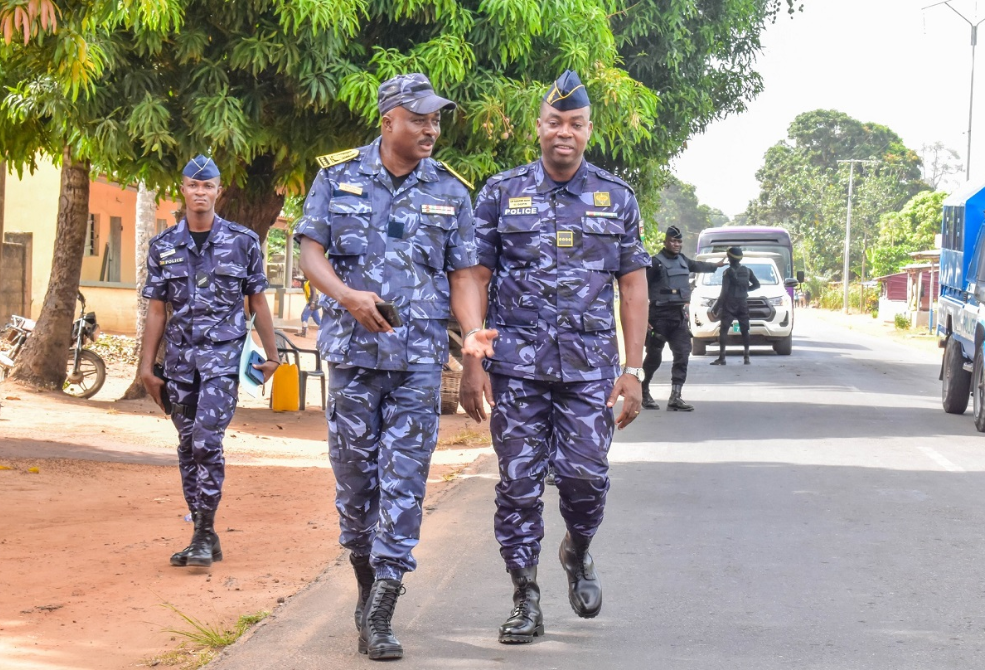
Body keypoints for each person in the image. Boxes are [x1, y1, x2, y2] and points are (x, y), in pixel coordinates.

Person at [295, 73, 492, 661]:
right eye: (420, 119)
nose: (432, 129)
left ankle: (381, 609)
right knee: (355, 484)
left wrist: (475, 353)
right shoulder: (335, 177)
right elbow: (310, 252)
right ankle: (364, 581)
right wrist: (347, 296)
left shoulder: (453, 192)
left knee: (404, 481)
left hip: (419, 362)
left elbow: (463, 279)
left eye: (436, 120)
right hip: (352, 359)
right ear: (388, 121)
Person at [460, 69, 650, 646]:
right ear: (538, 128)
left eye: (575, 123)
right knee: (517, 487)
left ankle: (579, 548)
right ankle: (525, 597)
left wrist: (634, 369)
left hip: (590, 369)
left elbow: (633, 286)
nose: (563, 132)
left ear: (589, 130)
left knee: (585, 479)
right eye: (554, 122)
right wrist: (472, 355)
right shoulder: (499, 193)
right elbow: (474, 274)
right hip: (516, 367)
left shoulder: (616, 197)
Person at [140, 155, 280, 569]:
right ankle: (205, 532)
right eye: (192, 185)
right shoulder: (163, 247)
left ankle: (202, 533)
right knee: (187, 446)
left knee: (206, 441)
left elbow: (257, 301)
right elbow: (157, 311)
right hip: (180, 363)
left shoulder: (243, 241)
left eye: (208, 186)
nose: (200, 192)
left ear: (218, 191)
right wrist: (147, 367)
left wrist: (272, 354)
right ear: (181, 190)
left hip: (223, 362)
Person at [641, 225, 722, 412]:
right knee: (653, 357)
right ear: (665, 242)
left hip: (678, 317)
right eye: (672, 241)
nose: (676, 244)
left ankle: (675, 397)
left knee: (682, 355)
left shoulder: (683, 261)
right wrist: (643, 318)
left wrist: (717, 266)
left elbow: (699, 265)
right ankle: (644, 390)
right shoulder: (655, 263)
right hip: (658, 317)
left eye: (679, 241)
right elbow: (641, 291)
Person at [711, 246, 761, 365]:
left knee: (724, 330)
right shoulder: (748, 271)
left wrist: (716, 306)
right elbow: (757, 285)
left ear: (729, 258)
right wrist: (745, 290)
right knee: (745, 330)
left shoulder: (727, 272)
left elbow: (724, 292)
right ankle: (746, 357)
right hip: (743, 303)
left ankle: (722, 358)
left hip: (729, 304)